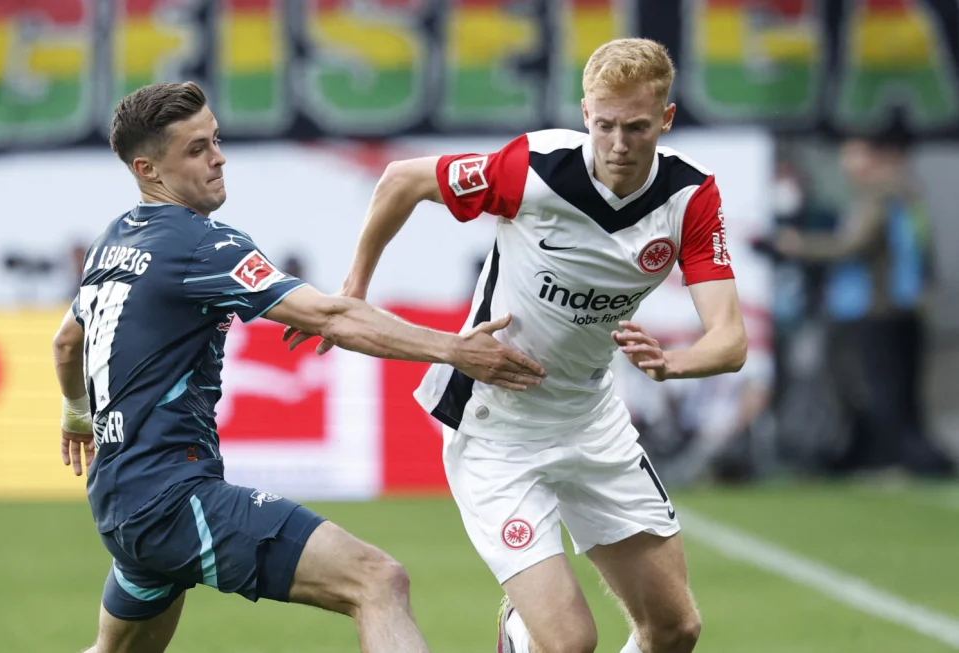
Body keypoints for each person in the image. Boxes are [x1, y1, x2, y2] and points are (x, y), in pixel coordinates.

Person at [50, 81, 546, 653]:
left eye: (216, 139)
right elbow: (332, 317)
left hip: (118, 499)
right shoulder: (197, 243)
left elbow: (67, 344)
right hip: (171, 499)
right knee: (377, 581)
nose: (218, 157)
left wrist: (76, 414)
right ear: (149, 169)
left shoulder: (113, 240)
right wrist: (456, 351)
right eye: (196, 149)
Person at [287, 39, 747, 653]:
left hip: (591, 420)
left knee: (675, 629)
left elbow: (730, 339)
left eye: (636, 128)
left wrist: (674, 362)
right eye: (604, 125)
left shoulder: (690, 198)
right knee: (569, 642)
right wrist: (355, 286)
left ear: (664, 119)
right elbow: (402, 180)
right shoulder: (534, 169)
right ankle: (517, 634)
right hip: (493, 425)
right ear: (586, 113)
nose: (617, 145)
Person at [774, 131, 953, 478]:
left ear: (874, 157)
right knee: (895, 387)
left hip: (877, 307)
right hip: (902, 307)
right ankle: (896, 454)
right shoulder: (906, 192)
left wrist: (797, 246)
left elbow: (851, 244)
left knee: (878, 387)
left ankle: (896, 458)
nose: (846, 163)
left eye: (853, 154)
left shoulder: (879, 195)